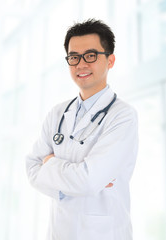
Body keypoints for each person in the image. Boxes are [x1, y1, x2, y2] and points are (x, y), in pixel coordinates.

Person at [26, 19, 138, 240]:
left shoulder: (123, 116)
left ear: (110, 60)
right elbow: (31, 168)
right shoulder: (57, 114)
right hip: (59, 232)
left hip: (103, 233)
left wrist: (50, 164)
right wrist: (78, 178)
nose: (81, 64)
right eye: (74, 57)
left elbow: (87, 181)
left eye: (91, 55)